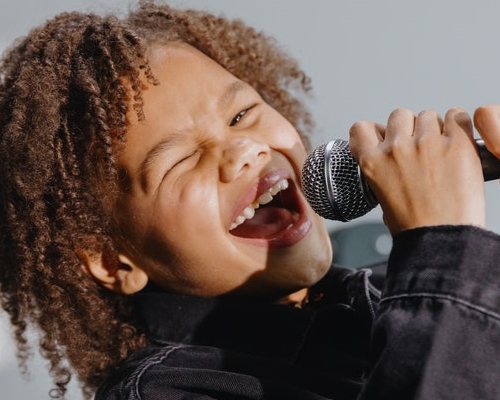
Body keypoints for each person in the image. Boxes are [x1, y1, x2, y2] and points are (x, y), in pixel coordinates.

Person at [1, 1, 500, 399]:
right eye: (178, 160)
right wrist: (439, 246)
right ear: (113, 260)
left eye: (241, 114)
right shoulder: (163, 390)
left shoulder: (395, 291)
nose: (242, 150)